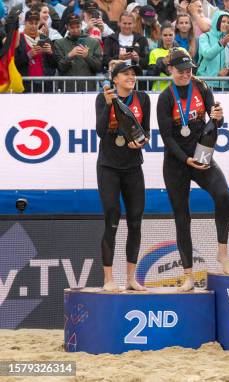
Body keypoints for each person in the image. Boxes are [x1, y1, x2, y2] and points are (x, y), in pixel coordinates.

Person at [157, 48, 229, 291]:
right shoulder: (166, 97)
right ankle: (188, 274)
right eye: (181, 71)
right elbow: (166, 138)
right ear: (171, 70)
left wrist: (219, 116)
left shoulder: (201, 87)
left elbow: (215, 119)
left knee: (222, 195)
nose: (186, 75)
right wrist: (185, 159)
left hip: (201, 155)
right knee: (182, 218)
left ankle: (222, 253)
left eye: (189, 70)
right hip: (176, 162)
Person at [95, 60, 150, 292]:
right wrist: (108, 105)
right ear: (114, 79)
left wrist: (143, 141)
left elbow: (146, 131)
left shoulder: (143, 98)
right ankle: (108, 278)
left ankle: (131, 278)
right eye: (125, 74)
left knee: (135, 221)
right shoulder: (103, 97)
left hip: (133, 166)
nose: (131, 77)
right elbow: (99, 131)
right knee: (112, 217)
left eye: (133, 74)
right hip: (108, 166)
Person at [54, 13, 104, 91]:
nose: (76, 30)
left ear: (81, 25)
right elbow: (60, 67)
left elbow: (99, 67)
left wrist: (87, 57)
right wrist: (69, 56)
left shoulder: (94, 42)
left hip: (88, 89)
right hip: (67, 89)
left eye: (78, 26)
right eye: (72, 27)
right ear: (66, 27)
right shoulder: (59, 43)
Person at [14, 10, 57, 92]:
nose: (33, 26)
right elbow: (14, 63)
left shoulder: (45, 39)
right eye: (30, 23)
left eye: (36, 23)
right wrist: (28, 55)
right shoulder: (19, 39)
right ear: (25, 23)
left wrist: (50, 53)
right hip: (25, 85)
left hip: (45, 86)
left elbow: (54, 64)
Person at [197, 10, 229, 91]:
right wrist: (222, 43)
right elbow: (207, 54)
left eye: (228, 22)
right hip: (205, 83)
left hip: (224, 85)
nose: (226, 24)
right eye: (223, 21)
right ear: (216, 21)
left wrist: (228, 69)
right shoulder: (205, 37)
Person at [149, 23, 179, 91]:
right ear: (161, 36)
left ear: (174, 35)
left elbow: (190, 71)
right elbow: (151, 74)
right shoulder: (154, 52)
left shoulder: (182, 51)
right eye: (165, 35)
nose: (168, 37)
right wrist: (163, 62)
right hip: (158, 90)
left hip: (177, 90)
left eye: (170, 35)